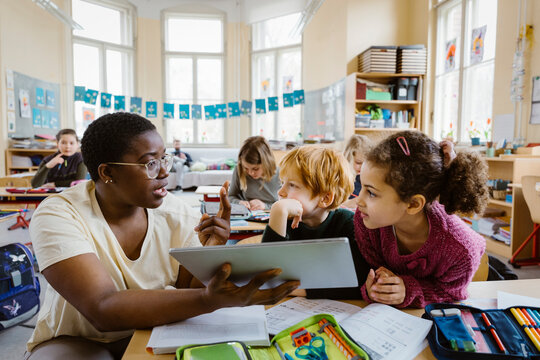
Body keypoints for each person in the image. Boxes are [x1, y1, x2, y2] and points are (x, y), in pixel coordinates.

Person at [25, 113, 299, 359]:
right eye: (150, 164)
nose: (166, 172)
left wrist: (210, 252)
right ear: (108, 173)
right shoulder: (60, 214)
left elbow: (185, 292)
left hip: (157, 329)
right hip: (78, 340)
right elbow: (102, 309)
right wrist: (209, 299)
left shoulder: (176, 213)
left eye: (164, 158)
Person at [354, 131, 488, 308]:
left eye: (371, 192)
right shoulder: (367, 222)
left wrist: (409, 292)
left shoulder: (461, 250)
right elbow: (370, 276)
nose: (358, 200)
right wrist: (375, 289)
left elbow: (450, 293)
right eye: (361, 186)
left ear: (413, 204)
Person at [262, 146, 370, 299]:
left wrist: (304, 291)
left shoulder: (349, 224)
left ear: (325, 199)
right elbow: (266, 278)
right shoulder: (284, 219)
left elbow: (360, 285)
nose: (280, 192)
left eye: (292, 185)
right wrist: (278, 213)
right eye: (282, 183)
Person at [228, 136, 280, 211]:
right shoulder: (239, 170)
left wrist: (265, 206)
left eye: (255, 169)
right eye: (246, 168)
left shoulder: (280, 174)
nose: (251, 173)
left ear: (266, 163)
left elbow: (287, 204)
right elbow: (230, 196)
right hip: (247, 215)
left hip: (271, 215)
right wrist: (239, 203)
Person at [341, 134, 373, 209]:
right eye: (358, 163)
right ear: (348, 159)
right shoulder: (343, 179)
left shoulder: (368, 178)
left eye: (366, 163)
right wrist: (348, 203)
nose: (362, 167)